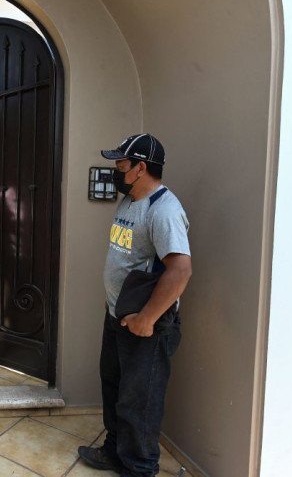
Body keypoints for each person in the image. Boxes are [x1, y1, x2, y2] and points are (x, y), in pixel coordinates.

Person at [78, 134, 192, 476]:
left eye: (121, 166)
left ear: (140, 168)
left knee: (139, 401)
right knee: (113, 389)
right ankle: (115, 452)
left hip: (147, 326)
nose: (116, 172)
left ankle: (139, 468)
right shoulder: (129, 202)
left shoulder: (165, 210)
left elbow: (180, 269)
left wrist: (147, 317)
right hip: (118, 316)